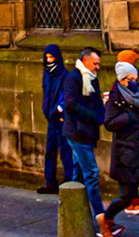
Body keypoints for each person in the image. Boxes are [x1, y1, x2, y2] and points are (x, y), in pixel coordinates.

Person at [99, 59, 139, 237]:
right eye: (131, 78)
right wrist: (126, 118)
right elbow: (109, 123)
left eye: (136, 79)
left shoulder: (138, 96)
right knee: (126, 197)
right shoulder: (115, 100)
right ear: (122, 80)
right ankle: (107, 218)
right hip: (125, 155)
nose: (135, 82)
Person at [63, 48, 108, 221]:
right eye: (95, 63)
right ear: (85, 60)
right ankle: (101, 219)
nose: (97, 67)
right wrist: (93, 115)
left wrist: (102, 108)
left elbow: (94, 102)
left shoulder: (92, 79)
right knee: (91, 173)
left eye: (98, 64)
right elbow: (71, 104)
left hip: (86, 132)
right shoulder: (74, 78)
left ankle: (73, 214)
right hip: (77, 132)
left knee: (78, 175)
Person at [39, 44, 70, 195]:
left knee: (65, 150)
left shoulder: (63, 74)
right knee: (50, 150)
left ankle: (70, 182)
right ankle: (50, 181)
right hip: (52, 117)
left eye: (52, 57)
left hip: (60, 118)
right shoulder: (48, 74)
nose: (50, 60)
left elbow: (64, 95)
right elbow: (46, 93)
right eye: (47, 58)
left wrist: (59, 109)